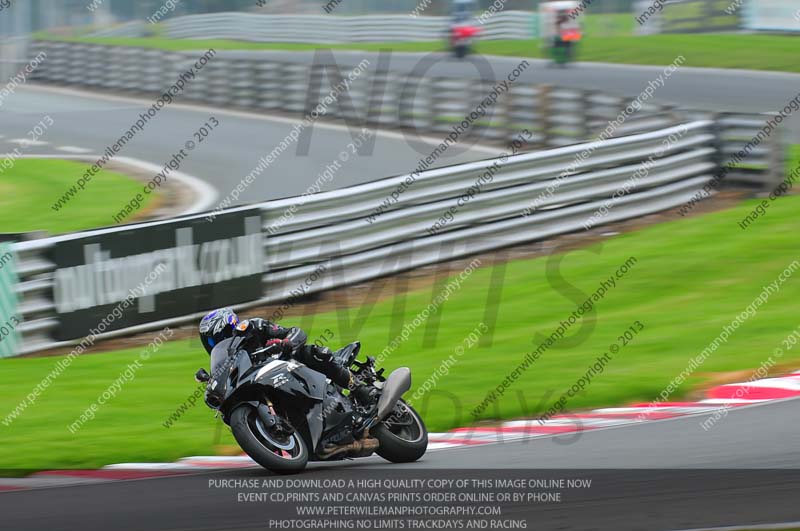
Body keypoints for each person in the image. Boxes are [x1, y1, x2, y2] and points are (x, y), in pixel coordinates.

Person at [198, 307, 372, 403]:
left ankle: (359, 388)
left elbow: (296, 332)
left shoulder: (254, 327)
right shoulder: (227, 365)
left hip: (290, 367)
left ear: (230, 326)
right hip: (269, 386)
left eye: (219, 337)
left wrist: (286, 343)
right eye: (211, 342)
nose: (216, 343)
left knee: (314, 353)